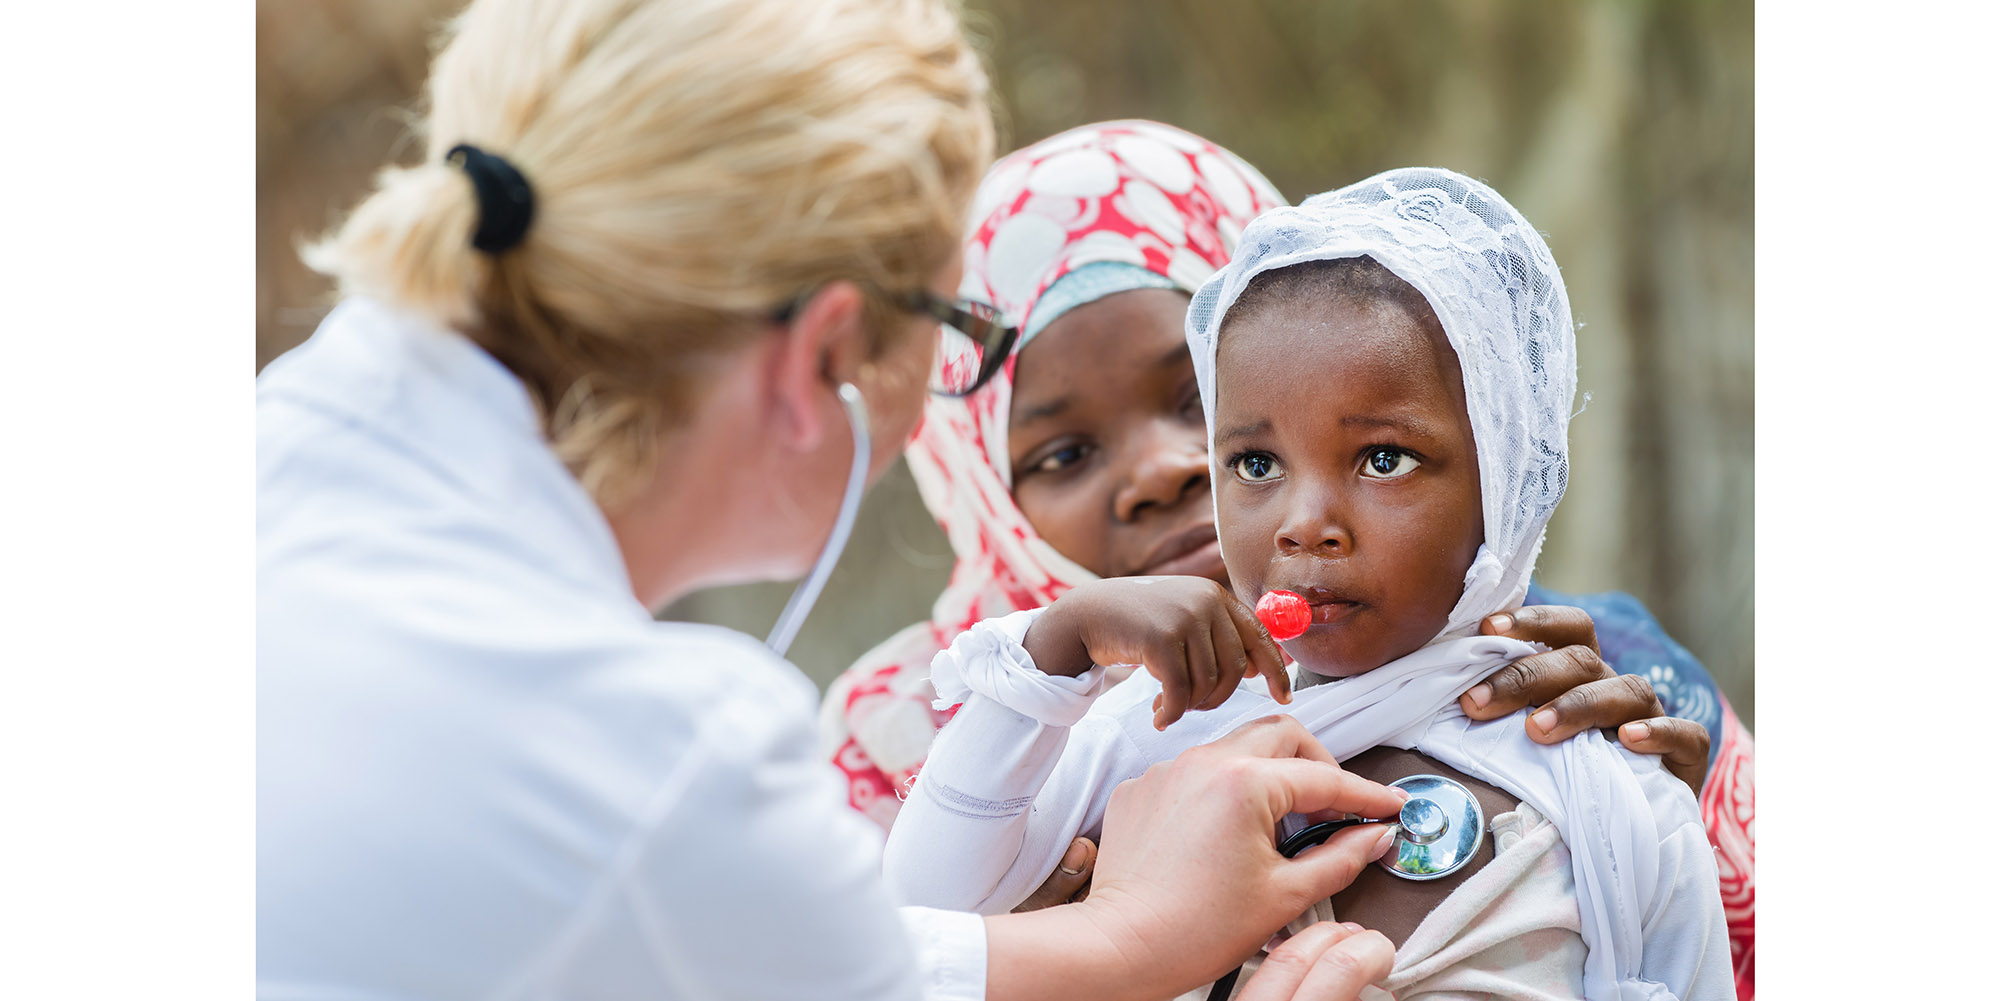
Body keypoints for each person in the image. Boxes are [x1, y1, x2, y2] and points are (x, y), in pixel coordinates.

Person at [257, 2, 1421, 999]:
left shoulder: (276, 459)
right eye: (958, 327)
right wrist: (1129, 937)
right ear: (826, 355)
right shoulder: (655, 753)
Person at [819, 122, 1753, 993]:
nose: (1163, 470)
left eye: (1190, 398)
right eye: (1255, 459)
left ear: (1505, 475)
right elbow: (897, 935)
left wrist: (1666, 812)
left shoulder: (1597, 729)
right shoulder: (1094, 733)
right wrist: (1055, 661)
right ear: (980, 487)